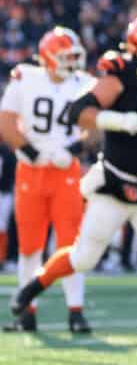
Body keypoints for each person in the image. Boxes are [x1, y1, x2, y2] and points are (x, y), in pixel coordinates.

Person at [10, 8, 137, 359]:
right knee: (84, 257)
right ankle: (34, 286)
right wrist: (116, 120)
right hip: (115, 184)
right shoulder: (122, 70)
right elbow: (79, 111)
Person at [0, 27, 91, 333]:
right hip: (30, 171)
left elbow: (96, 127)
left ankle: (75, 312)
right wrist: (29, 150)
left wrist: (75, 147)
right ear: (49, 57)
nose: (72, 62)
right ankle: (27, 313)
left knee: (72, 244)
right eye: (67, 56)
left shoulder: (83, 83)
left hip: (66, 172)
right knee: (29, 247)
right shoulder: (25, 78)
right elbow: (6, 122)